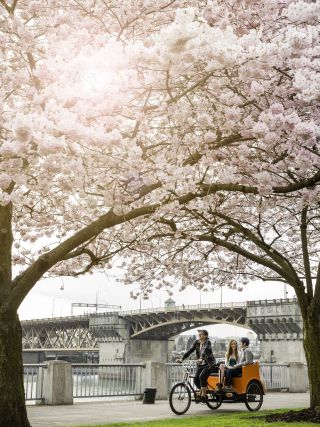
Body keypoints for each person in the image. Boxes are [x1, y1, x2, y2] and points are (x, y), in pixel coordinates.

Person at [176, 329, 216, 400]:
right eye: (199, 334)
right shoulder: (197, 342)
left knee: (202, 376)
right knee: (195, 380)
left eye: (201, 334)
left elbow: (205, 351)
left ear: (206, 335)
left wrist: (201, 358)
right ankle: (205, 391)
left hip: (209, 364)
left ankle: (204, 395)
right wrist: (182, 359)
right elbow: (190, 351)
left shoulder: (208, 342)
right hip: (201, 364)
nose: (199, 335)